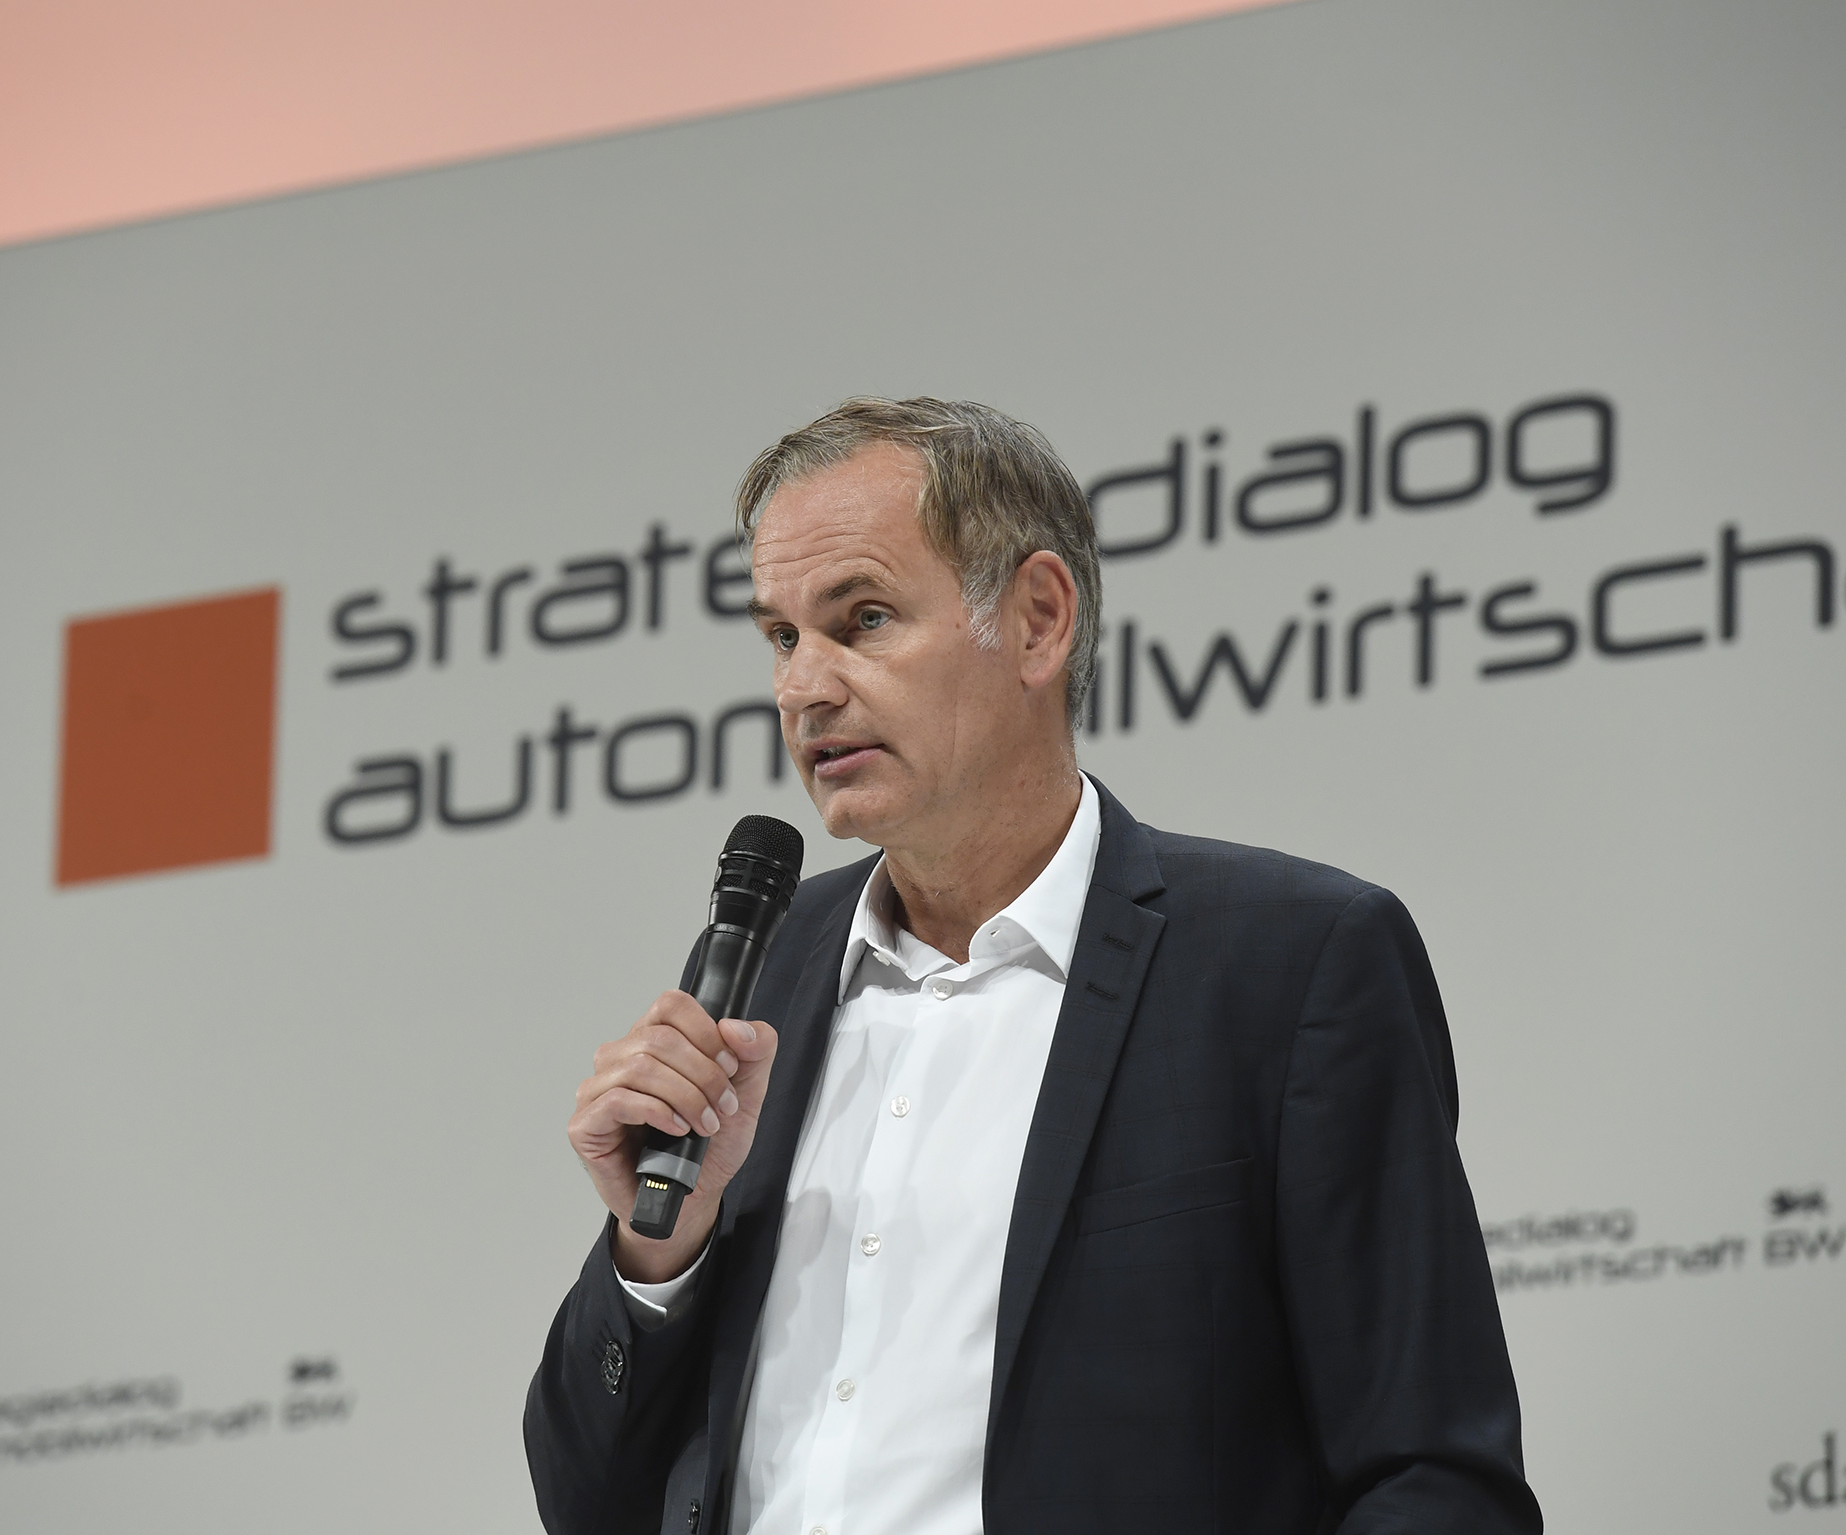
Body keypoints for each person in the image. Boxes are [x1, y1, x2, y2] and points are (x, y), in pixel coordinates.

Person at [525, 397, 1542, 1535]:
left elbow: (1429, 1475)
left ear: (1037, 620)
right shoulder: (764, 975)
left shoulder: (1290, 963)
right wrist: (657, 1249)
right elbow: (588, 1505)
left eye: (861, 619)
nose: (803, 687)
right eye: (780, 636)